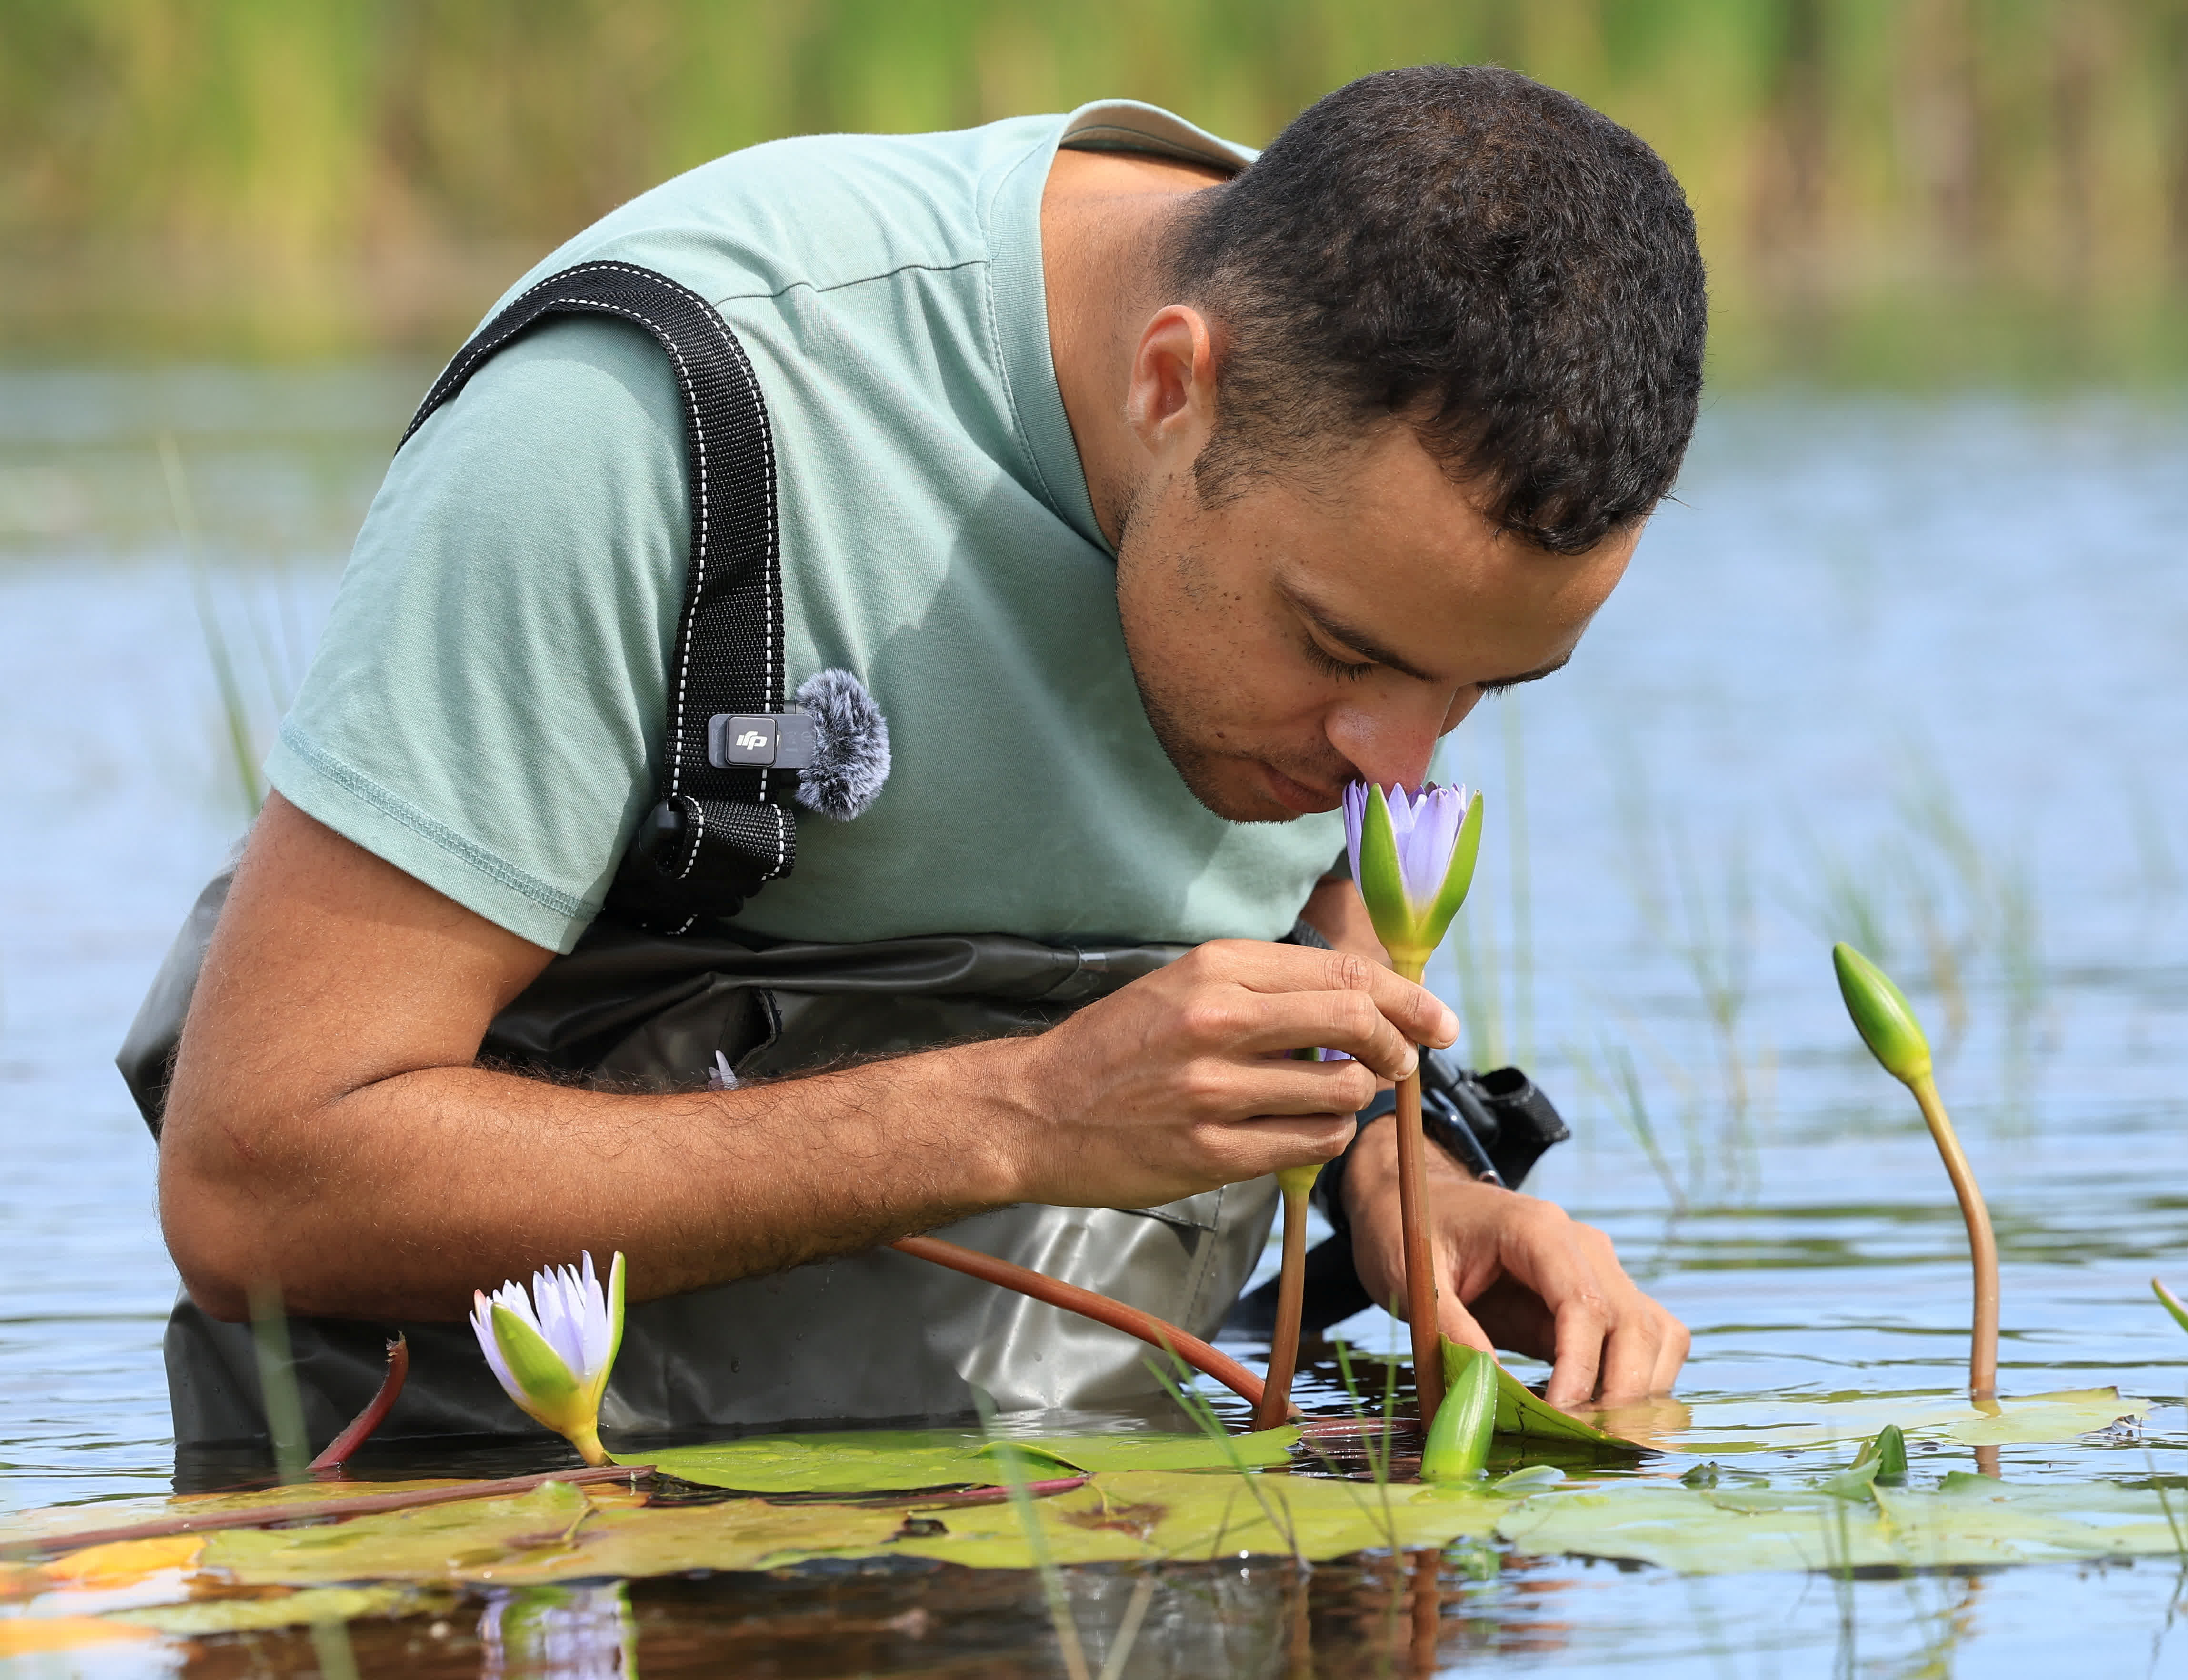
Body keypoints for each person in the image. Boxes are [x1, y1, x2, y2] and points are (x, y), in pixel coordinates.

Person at [140, 65, 1705, 1451]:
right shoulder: (640, 424)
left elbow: (1327, 956)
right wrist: (1018, 1114)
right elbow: (255, 1180)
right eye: (1341, 652)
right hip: (495, 1531)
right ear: (1175, 387)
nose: (1396, 768)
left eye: (1487, 688)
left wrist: (1405, 1180)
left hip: (1062, 1508)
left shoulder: (1371, 408)